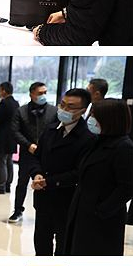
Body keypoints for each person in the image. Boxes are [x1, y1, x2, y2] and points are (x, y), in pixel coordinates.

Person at [30, 88, 95, 255]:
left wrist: (49, 182)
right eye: (63, 104)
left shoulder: (88, 137)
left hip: (67, 201)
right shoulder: (50, 129)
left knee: (64, 248)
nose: (64, 109)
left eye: (70, 107)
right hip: (43, 199)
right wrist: (37, 173)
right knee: (41, 245)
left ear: (83, 110)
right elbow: (36, 157)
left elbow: (79, 172)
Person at [64, 100, 133, 255]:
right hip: (82, 210)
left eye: (95, 116)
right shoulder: (97, 141)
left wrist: (102, 210)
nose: (90, 119)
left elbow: (128, 187)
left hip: (102, 220)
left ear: (110, 119)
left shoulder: (124, 148)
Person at [9, 81, 57, 223]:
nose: (43, 95)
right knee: (22, 183)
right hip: (27, 153)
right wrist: (28, 145)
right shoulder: (21, 111)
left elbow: (57, 130)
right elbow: (15, 131)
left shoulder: (53, 111)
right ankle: (17, 210)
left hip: (47, 154)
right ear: (31, 94)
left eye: (45, 93)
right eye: (40, 93)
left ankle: (46, 212)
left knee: (46, 183)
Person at [0, 81, 20, 194]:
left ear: (4, 91)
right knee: (9, 161)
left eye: (0, 90)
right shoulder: (16, 103)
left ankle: (1, 186)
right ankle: (7, 184)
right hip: (12, 137)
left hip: (2, 138)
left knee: (0, 162)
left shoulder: (4, 103)